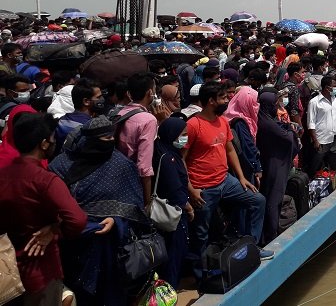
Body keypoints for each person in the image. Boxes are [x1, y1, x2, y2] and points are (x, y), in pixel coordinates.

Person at [50, 116, 148, 305]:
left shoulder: (121, 165)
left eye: (112, 137)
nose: (110, 142)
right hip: (72, 243)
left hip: (110, 247)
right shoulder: (62, 164)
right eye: (104, 139)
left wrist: (117, 220)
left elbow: (135, 207)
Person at [183, 82, 270, 279]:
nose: (227, 100)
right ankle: (202, 276)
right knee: (201, 234)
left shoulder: (222, 121)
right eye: (223, 97)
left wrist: (240, 178)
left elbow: (230, 149)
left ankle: (252, 247)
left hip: (226, 181)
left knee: (258, 201)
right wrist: (190, 189)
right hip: (202, 188)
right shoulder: (191, 125)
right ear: (211, 101)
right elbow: (179, 159)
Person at [0, 113, 87, 306]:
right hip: (40, 271)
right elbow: (77, 220)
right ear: (44, 144)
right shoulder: (45, 180)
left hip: (7, 271)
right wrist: (56, 229)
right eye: (52, 139)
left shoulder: (3, 175)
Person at [152, 118, 194, 289]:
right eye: (183, 135)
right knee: (175, 252)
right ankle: (170, 288)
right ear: (172, 135)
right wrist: (188, 207)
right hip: (174, 213)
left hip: (169, 211)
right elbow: (174, 188)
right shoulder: (168, 158)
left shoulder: (161, 149)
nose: (185, 138)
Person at [256, 91, 298, 245]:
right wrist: (291, 131)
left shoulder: (264, 119)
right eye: (274, 104)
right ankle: (270, 235)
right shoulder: (266, 123)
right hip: (274, 165)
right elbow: (288, 138)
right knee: (274, 200)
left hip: (273, 164)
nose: (277, 107)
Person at [116, 72, 159, 205]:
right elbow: (144, 166)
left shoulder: (119, 113)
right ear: (150, 92)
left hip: (118, 175)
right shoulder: (148, 120)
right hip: (134, 181)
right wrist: (147, 202)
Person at [223, 86, 263, 184]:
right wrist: (257, 168)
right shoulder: (239, 122)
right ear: (246, 102)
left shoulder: (231, 115)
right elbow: (247, 147)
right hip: (245, 167)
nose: (256, 104)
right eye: (254, 101)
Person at [54, 78, 103, 155]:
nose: (102, 100)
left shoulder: (60, 121)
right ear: (86, 101)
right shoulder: (91, 128)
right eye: (98, 97)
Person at [307, 75, 336, 177]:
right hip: (321, 140)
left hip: (333, 138)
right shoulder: (314, 102)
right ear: (327, 88)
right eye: (335, 86)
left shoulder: (335, 100)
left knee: (334, 163)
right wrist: (315, 140)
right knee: (315, 165)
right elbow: (311, 123)